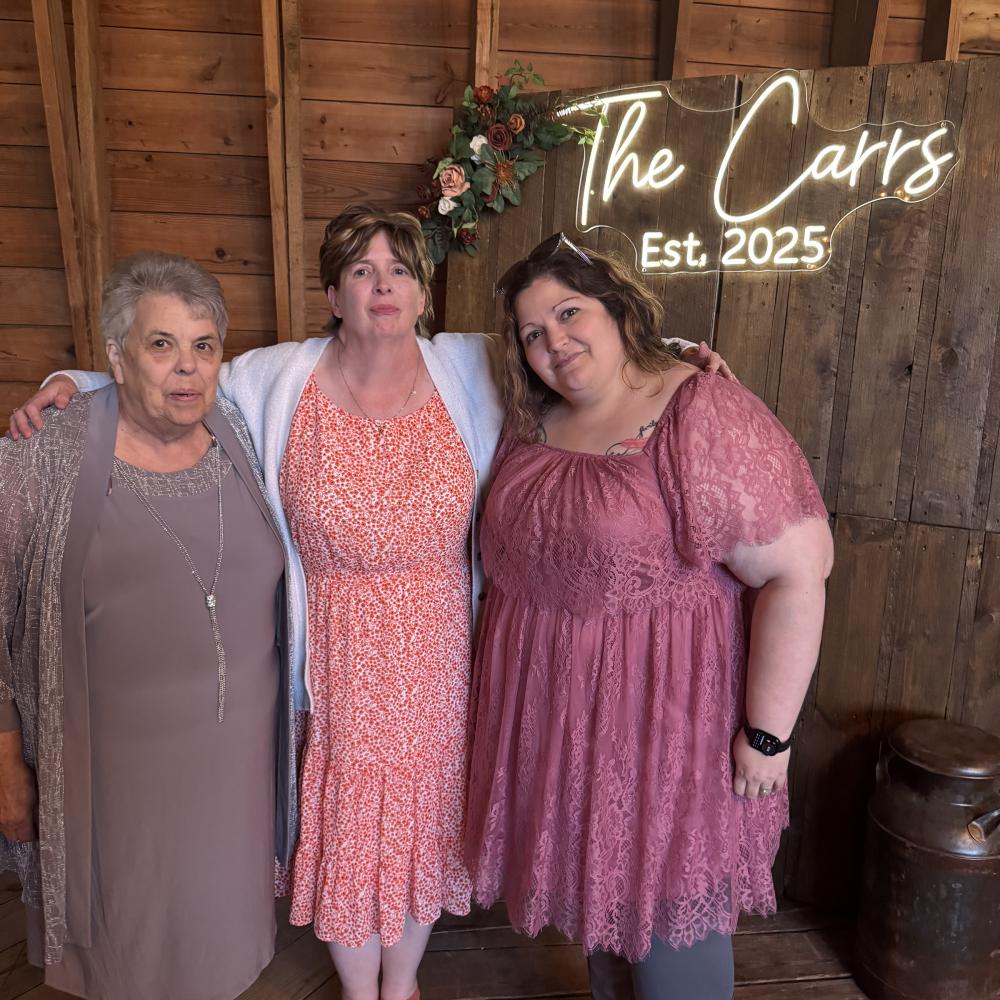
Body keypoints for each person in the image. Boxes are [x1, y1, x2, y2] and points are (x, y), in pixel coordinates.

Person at [8, 207, 730, 1000]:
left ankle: (403, 982)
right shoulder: (276, 378)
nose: (383, 285)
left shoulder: (471, 366)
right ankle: (362, 992)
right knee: (348, 829)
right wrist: (71, 386)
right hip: (337, 653)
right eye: (362, 271)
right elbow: (177, 374)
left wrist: (678, 361)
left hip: (440, 651)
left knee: (424, 824)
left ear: (422, 294)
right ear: (333, 295)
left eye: (400, 270)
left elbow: (578, 350)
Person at [464, 234, 834, 1000]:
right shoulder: (535, 417)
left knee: (671, 948)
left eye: (570, 312)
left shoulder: (697, 409)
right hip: (566, 737)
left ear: (617, 307)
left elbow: (800, 570)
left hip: (666, 736)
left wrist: (768, 735)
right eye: (533, 332)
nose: (554, 341)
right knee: (607, 933)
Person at [0, 251, 299, 1000]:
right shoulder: (45, 453)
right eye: (161, 344)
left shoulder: (240, 427)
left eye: (204, 345)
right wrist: (5, 764)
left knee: (220, 946)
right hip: (114, 783)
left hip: (235, 771)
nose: (187, 367)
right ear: (117, 356)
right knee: (128, 951)